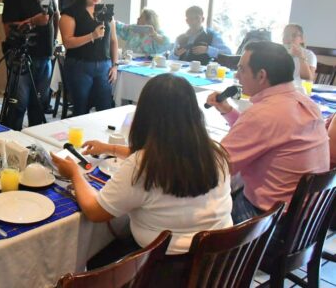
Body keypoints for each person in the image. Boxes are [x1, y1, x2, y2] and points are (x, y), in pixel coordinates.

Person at [51, 74, 232, 266]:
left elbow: (96, 213)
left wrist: (75, 174)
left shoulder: (143, 166)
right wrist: (110, 148)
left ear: (146, 114)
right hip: (217, 261)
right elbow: (170, 156)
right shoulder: (215, 152)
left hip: (164, 269)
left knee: (96, 258)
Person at [206, 41, 329, 224]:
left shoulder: (263, 114)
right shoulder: (307, 104)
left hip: (268, 221)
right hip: (307, 219)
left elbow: (216, 167)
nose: (237, 75)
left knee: (197, 210)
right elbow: (264, 135)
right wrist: (228, 111)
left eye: (242, 69)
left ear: (261, 75)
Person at [1, 0, 59, 130]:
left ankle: (35, 147)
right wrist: (33, 21)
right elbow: (8, 29)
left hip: (45, 57)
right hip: (22, 60)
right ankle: (12, 144)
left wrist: (55, 41)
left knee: (39, 105)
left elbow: (55, 15)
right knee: (18, 107)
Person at [59, 0, 118, 116]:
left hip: (104, 65)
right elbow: (67, 42)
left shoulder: (106, 12)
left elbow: (113, 40)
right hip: (79, 65)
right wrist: (92, 36)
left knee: (105, 107)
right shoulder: (70, 12)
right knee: (81, 109)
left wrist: (115, 65)